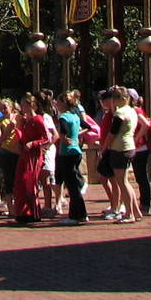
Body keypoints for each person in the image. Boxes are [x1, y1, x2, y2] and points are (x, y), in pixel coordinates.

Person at [97, 86, 145, 222]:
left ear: (122, 99)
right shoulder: (132, 111)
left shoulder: (120, 114)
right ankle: (136, 211)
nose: (113, 101)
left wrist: (104, 149)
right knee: (125, 182)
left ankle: (129, 214)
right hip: (129, 146)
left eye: (115, 98)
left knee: (122, 183)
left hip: (120, 148)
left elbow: (112, 134)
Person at [9, 93, 53, 224]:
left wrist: (33, 143)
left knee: (30, 184)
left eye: (24, 104)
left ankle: (34, 212)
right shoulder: (26, 120)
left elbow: (47, 138)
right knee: (20, 182)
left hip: (34, 156)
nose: (22, 107)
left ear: (31, 105)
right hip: (24, 155)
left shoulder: (38, 119)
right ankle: (23, 213)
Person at [52, 92, 90, 225]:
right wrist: (76, 136)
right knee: (73, 185)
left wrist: (65, 138)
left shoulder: (63, 117)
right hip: (76, 152)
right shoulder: (75, 116)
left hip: (66, 153)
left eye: (58, 101)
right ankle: (81, 214)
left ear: (63, 103)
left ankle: (75, 216)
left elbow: (61, 131)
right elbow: (88, 126)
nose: (56, 103)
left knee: (72, 186)